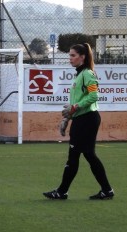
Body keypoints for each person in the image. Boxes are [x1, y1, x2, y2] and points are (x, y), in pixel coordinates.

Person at [43, 43, 114, 200]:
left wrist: (75, 108)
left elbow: (94, 96)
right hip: (82, 119)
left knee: (76, 155)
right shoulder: (79, 75)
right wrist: (67, 118)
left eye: (73, 55)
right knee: (87, 155)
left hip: (87, 119)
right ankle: (106, 190)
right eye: (69, 55)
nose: (70, 58)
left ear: (82, 57)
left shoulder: (88, 74)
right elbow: (76, 102)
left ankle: (62, 191)